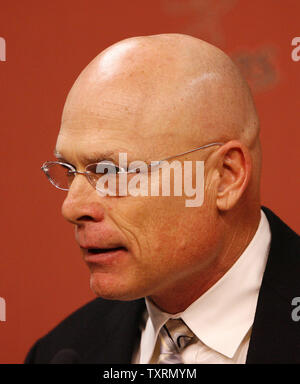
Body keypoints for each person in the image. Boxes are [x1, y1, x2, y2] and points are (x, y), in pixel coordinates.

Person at [25, 34, 299, 364]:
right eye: (69, 170)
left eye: (112, 171)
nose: (72, 207)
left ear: (225, 177)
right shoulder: (60, 351)